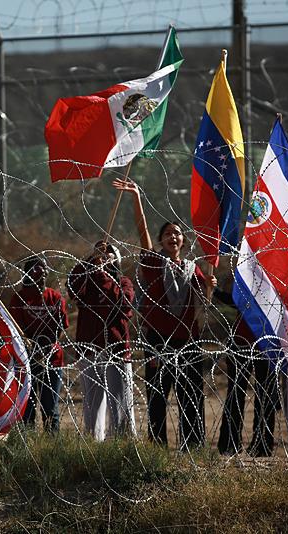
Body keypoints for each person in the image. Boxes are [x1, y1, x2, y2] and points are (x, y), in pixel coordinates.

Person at [113, 178, 216, 450]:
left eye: (178, 233)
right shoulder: (154, 262)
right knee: (158, 395)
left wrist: (209, 286)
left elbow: (203, 303)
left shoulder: (192, 268)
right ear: (161, 240)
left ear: (184, 240)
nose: (174, 237)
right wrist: (136, 197)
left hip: (188, 339)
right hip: (159, 340)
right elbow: (141, 229)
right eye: (168, 233)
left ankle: (192, 447)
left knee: (191, 395)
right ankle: (157, 448)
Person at [67, 240, 136, 441]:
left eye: (109, 253)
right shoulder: (86, 281)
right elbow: (73, 287)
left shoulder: (124, 282)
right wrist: (90, 263)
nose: (104, 255)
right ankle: (93, 444)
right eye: (99, 253)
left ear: (117, 260)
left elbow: (123, 304)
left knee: (121, 403)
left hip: (117, 349)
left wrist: (102, 275)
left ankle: (123, 445)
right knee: (93, 405)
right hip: (90, 348)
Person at [213, 285, 279, 456]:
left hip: (265, 341)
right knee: (235, 393)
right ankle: (230, 444)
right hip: (241, 340)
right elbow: (237, 300)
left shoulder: (273, 275)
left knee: (264, 395)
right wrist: (215, 290)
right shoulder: (245, 270)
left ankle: (262, 444)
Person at [9, 256, 69, 432]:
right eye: (36, 270)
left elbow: (59, 329)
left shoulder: (55, 298)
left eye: (44, 269)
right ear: (27, 274)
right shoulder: (19, 299)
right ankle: (29, 447)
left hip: (52, 359)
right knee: (27, 410)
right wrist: (32, 352)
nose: (42, 274)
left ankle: (51, 449)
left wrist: (45, 351)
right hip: (26, 362)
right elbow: (16, 332)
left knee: (50, 409)